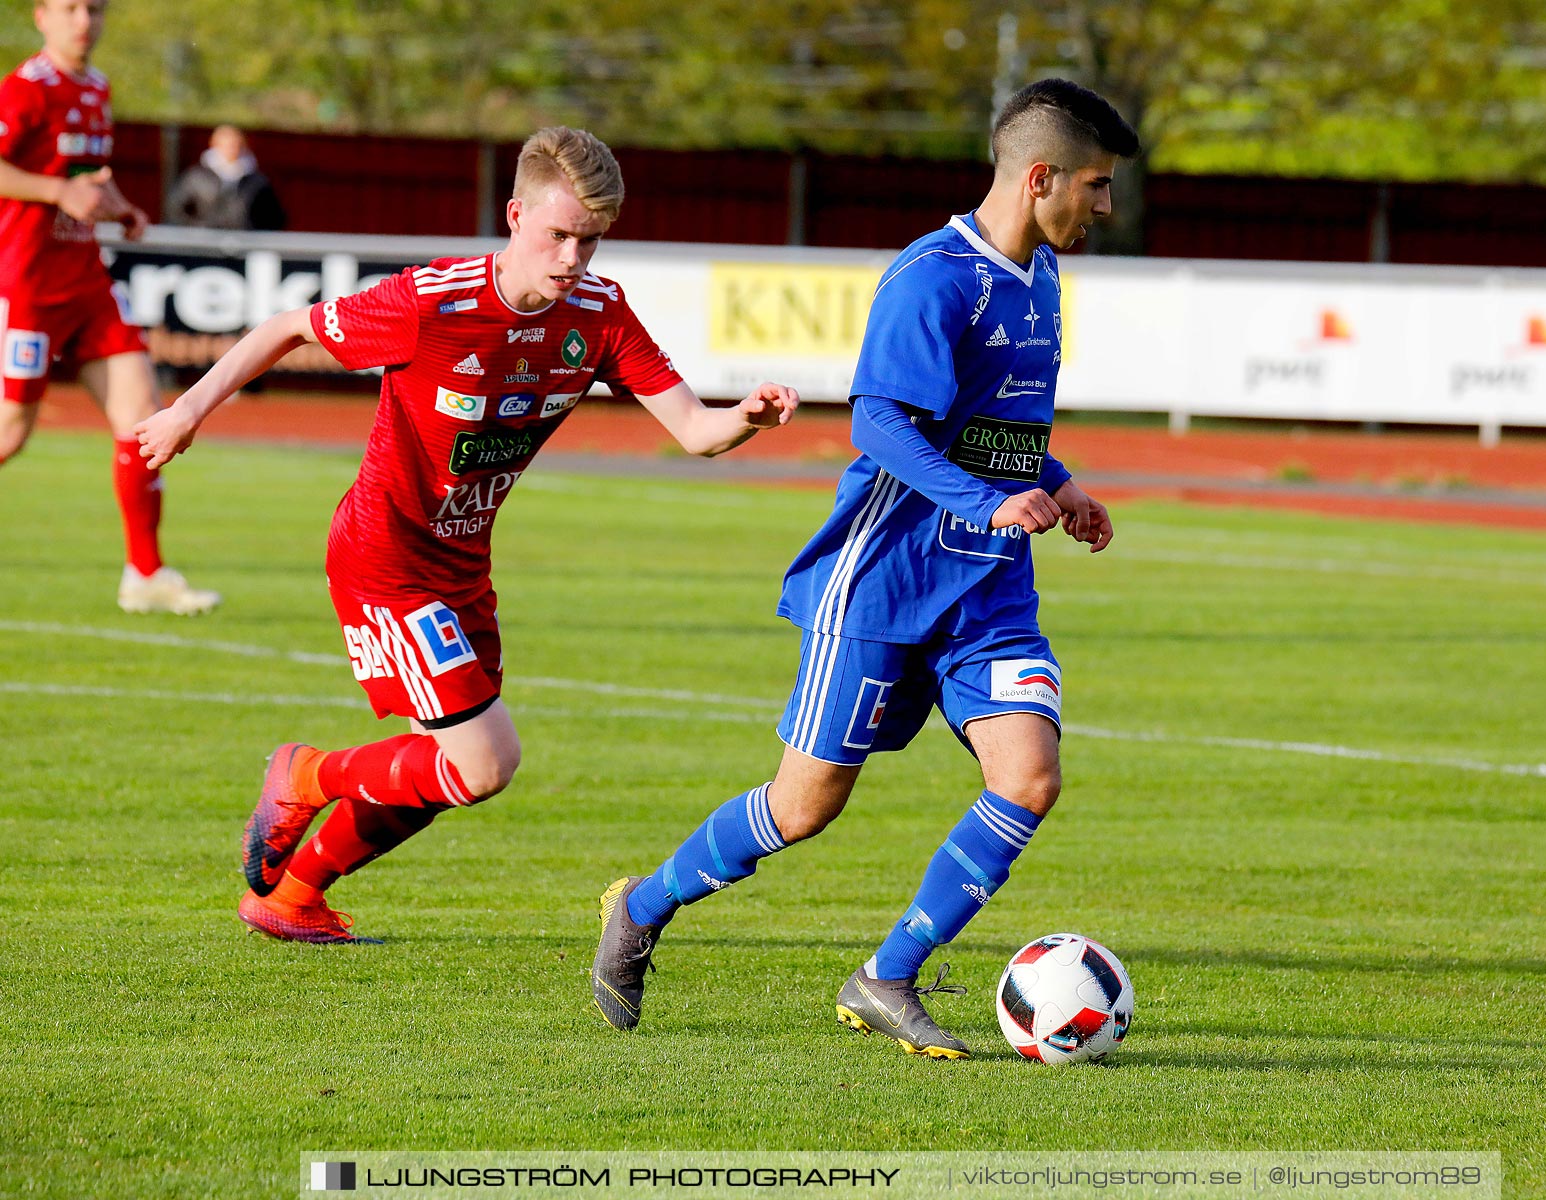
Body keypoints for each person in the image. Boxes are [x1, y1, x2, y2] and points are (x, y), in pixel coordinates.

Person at [135, 126, 799, 945]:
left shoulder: (600, 312)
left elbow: (695, 430)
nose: (572, 258)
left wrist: (747, 418)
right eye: (558, 235)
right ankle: (304, 772)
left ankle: (293, 896)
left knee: (439, 772)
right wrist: (187, 410)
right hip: (385, 554)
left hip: (461, 565)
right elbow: (287, 328)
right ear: (515, 215)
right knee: (483, 763)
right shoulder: (434, 302)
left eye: (589, 241)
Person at [590, 79, 1138, 1057]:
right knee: (802, 808)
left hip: (990, 592)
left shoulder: (1042, 277)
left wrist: (1060, 482)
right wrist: (984, 499)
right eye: (1096, 187)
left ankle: (888, 975)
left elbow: (991, 429)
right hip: (886, 583)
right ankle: (642, 904)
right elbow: (880, 423)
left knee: (1031, 778)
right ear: (1040, 176)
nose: (1105, 207)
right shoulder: (933, 278)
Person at [0, 0, 219, 615]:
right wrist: (53, 190)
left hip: (87, 282)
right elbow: (46, 180)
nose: (83, 21)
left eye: (94, 9)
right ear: (41, 16)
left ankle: (144, 573)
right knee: (12, 430)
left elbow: (89, 176)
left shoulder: (97, 88)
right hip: (29, 284)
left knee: (142, 419)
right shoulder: (24, 90)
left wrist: (120, 207)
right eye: (69, 8)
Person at [167, 124, 285, 231]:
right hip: (203, 246)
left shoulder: (257, 182)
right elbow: (176, 209)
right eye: (226, 145)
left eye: (235, 144)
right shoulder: (195, 177)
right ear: (214, 145)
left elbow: (274, 216)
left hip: (245, 244)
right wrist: (195, 231)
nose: (231, 149)